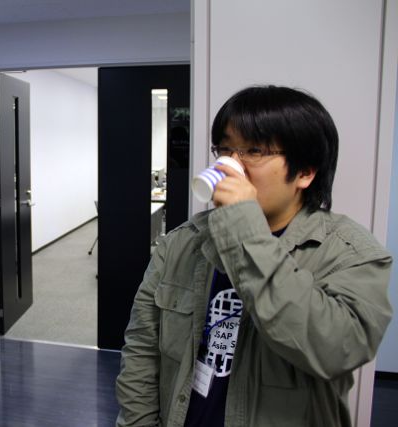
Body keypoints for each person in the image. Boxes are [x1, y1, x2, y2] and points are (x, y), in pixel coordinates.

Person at [115, 85, 393, 426]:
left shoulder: (351, 252)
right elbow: (142, 349)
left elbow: (336, 350)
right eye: (226, 150)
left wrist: (244, 226)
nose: (231, 164)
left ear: (305, 172)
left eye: (254, 150)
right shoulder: (183, 242)